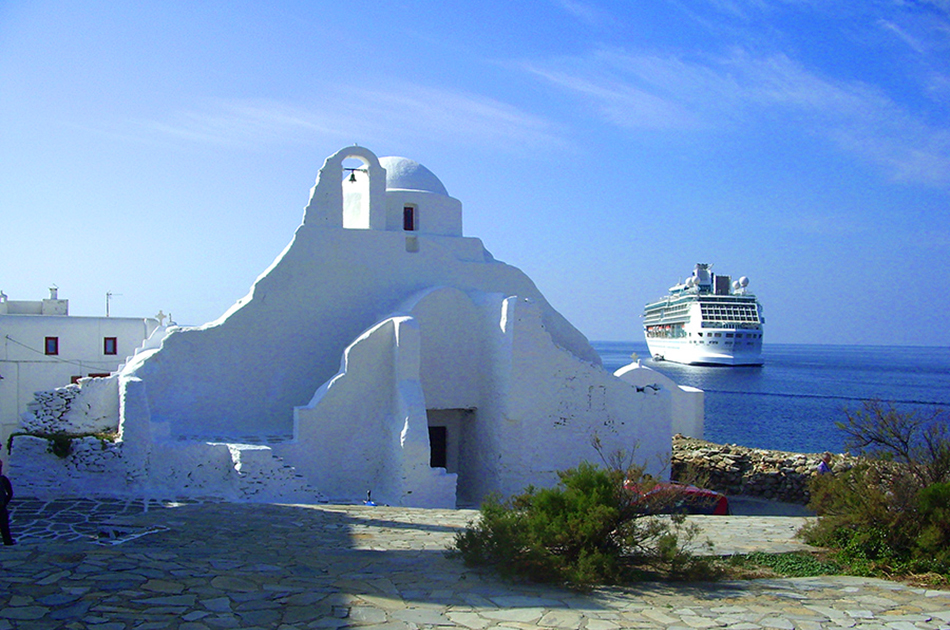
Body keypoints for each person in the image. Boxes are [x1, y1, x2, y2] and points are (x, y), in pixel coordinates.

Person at [0, 459, 13, 545]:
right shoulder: (3, 479)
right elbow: (10, 493)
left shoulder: (3, 479)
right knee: (4, 526)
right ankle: (7, 541)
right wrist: (4, 503)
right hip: (1, 506)